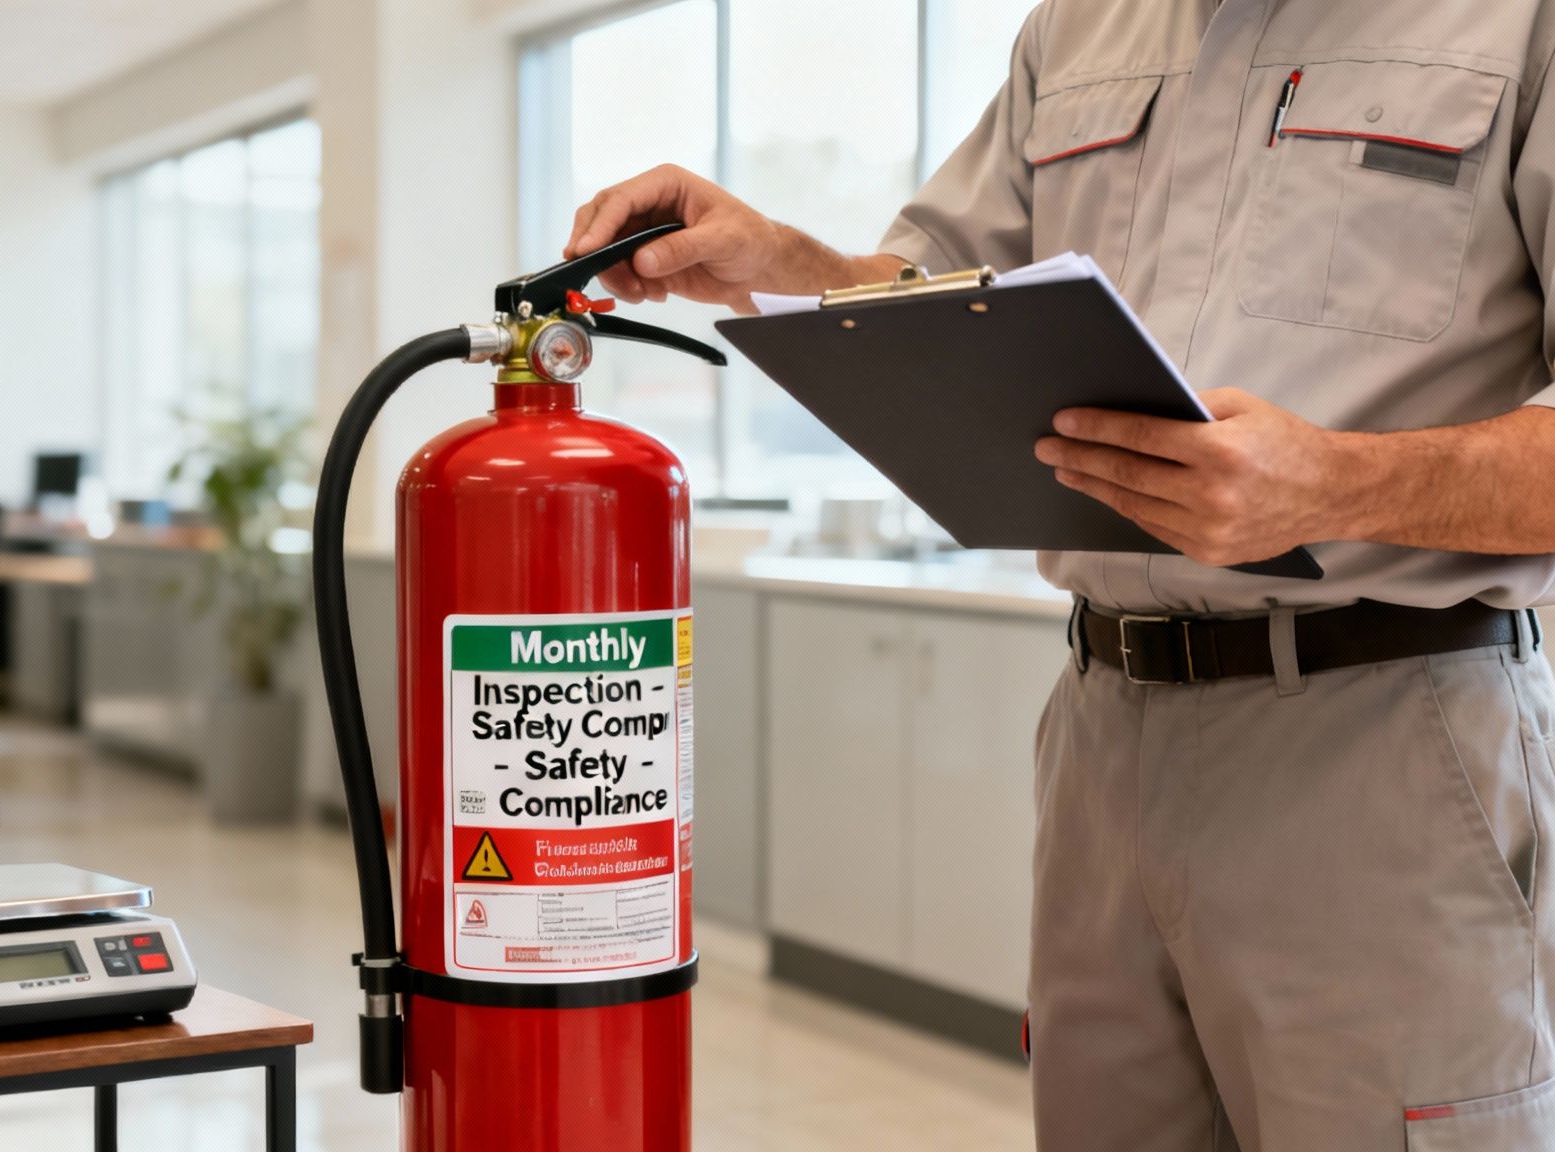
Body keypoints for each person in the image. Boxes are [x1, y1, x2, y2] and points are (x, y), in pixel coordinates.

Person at [570, 2, 1555, 1149]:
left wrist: (1335, 483)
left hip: (1380, 746)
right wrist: (784, 266)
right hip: (1102, 746)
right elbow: (938, 303)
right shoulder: (1080, 27)